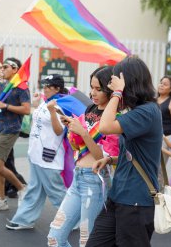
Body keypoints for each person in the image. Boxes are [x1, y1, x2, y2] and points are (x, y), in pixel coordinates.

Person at [86, 56, 162, 247]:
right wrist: (111, 159)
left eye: (114, 82)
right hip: (119, 196)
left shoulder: (147, 112)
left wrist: (118, 93)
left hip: (135, 201)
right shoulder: (138, 111)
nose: (111, 87)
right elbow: (134, 153)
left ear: (129, 82)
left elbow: (105, 126)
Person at [47, 67, 118, 247]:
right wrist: (73, 127)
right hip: (78, 177)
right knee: (54, 238)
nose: (92, 93)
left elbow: (104, 158)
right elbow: (77, 146)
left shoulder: (114, 117)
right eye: (91, 87)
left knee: (86, 242)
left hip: (95, 180)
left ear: (110, 90)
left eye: (98, 89)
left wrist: (84, 133)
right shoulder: (90, 108)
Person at [5, 74, 68, 230]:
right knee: (35, 189)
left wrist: (53, 111)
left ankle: (72, 218)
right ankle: (24, 219)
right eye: (44, 85)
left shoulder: (61, 105)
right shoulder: (45, 102)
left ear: (57, 88)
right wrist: (37, 104)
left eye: (48, 86)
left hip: (49, 157)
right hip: (36, 154)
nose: (44, 89)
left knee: (56, 192)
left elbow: (59, 131)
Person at [0, 57, 30, 211]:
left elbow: (26, 109)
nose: (2, 69)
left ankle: (21, 187)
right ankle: (0, 200)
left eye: (6, 67)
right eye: (2, 67)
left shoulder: (22, 87)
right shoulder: (4, 85)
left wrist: (5, 105)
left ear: (15, 69)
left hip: (11, 129)